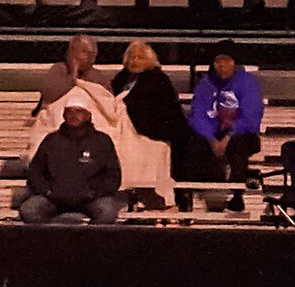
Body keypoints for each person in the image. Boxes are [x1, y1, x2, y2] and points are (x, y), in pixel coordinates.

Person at [184, 40, 265, 208]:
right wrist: (210, 138)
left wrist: (228, 136)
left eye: (226, 60)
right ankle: (188, 194)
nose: (221, 65)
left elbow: (251, 115)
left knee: (238, 146)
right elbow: (198, 113)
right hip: (212, 133)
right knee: (192, 143)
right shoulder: (206, 83)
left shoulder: (247, 82)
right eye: (217, 61)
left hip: (240, 132)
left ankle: (236, 193)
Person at [109, 40, 190, 208]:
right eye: (131, 57)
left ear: (149, 60)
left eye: (139, 57)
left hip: (154, 132)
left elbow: (167, 114)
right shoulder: (120, 78)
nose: (134, 61)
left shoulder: (159, 80)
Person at [16, 99, 120, 224]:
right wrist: (47, 191)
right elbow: (35, 171)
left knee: (107, 211)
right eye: (69, 111)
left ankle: (93, 242)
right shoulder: (52, 141)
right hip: (54, 199)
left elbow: (113, 175)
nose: (74, 115)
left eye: (79, 111)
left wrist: (94, 193)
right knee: (30, 209)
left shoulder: (102, 141)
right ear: (64, 115)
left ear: (88, 115)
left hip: (91, 199)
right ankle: (48, 240)